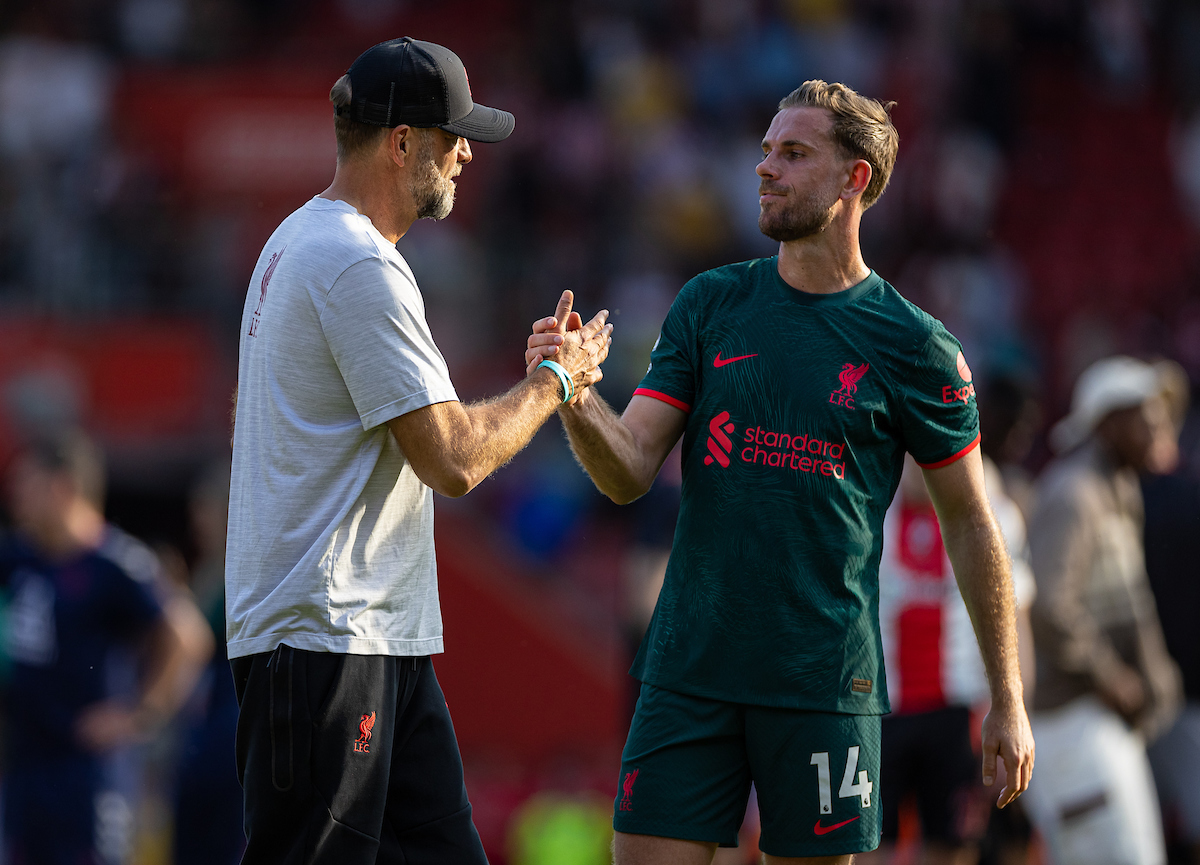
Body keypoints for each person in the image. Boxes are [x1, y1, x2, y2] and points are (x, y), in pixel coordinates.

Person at [526, 80, 1034, 865]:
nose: (765, 168)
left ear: (853, 177)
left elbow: (970, 521)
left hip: (825, 685)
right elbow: (628, 469)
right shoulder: (710, 303)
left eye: (793, 153)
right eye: (765, 151)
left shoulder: (918, 347)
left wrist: (1008, 696)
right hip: (690, 669)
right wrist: (573, 392)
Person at [225, 37, 612, 865]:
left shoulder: (299, 241)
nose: (467, 151)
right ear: (404, 142)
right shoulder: (355, 261)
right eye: (453, 133)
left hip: (365, 639)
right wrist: (556, 379)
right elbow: (456, 458)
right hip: (329, 639)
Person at [0, 431, 213, 865]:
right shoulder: (21, 556)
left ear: (63, 486)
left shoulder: (116, 564)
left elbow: (187, 637)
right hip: (28, 763)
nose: (16, 494)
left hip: (90, 772)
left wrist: (141, 715)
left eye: (28, 482)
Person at [1024, 356, 1183, 865]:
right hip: (1072, 720)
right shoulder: (1075, 495)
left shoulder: (1115, 490)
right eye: (1146, 416)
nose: (1160, 426)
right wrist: (1111, 674)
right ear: (1109, 424)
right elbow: (1049, 606)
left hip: (1101, 719)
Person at [863, 453, 1036, 865]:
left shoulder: (994, 517)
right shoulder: (867, 507)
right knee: (864, 847)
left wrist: (1016, 712)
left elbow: (1018, 622)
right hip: (877, 712)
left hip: (958, 715)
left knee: (954, 847)